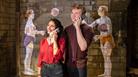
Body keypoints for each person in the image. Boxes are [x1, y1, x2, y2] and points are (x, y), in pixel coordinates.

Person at [64, 4, 94, 77]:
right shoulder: (67, 29)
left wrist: (77, 28)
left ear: (82, 16)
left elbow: (83, 47)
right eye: (72, 13)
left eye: (77, 13)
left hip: (80, 65)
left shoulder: (88, 29)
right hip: (68, 64)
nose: (73, 15)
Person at [89, 5, 115, 77]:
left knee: (107, 57)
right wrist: (83, 24)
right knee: (104, 57)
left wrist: (99, 36)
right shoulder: (99, 20)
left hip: (108, 40)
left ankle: (108, 74)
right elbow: (91, 25)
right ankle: (105, 73)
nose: (98, 11)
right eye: (98, 10)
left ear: (104, 11)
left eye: (100, 10)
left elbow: (109, 32)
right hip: (102, 40)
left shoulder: (107, 20)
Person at [23, 9, 45, 75]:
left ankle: (28, 67)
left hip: (31, 39)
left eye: (33, 13)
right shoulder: (29, 22)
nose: (33, 14)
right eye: (32, 13)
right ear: (29, 15)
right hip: (29, 39)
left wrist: (36, 32)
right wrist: (40, 32)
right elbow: (30, 32)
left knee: (29, 55)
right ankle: (26, 69)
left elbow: (27, 31)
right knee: (28, 55)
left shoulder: (30, 22)